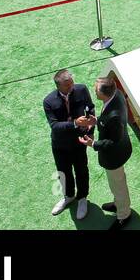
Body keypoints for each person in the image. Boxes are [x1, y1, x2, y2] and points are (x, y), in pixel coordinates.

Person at [80, 76, 134, 230]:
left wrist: (93, 144)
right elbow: (107, 120)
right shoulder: (115, 95)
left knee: (118, 185)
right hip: (118, 152)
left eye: (96, 90)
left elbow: (113, 141)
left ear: (105, 94)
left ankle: (124, 215)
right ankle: (118, 204)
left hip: (114, 157)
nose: (94, 92)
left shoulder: (114, 116)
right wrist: (96, 120)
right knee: (116, 184)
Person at [45, 69, 95, 220]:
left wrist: (91, 129)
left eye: (72, 83)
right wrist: (74, 123)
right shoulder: (48, 101)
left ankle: (82, 198)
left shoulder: (81, 89)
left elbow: (90, 108)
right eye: (67, 86)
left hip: (79, 141)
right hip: (60, 145)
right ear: (58, 86)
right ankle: (68, 196)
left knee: (81, 170)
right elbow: (54, 126)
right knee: (63, 172)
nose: (71, 87)